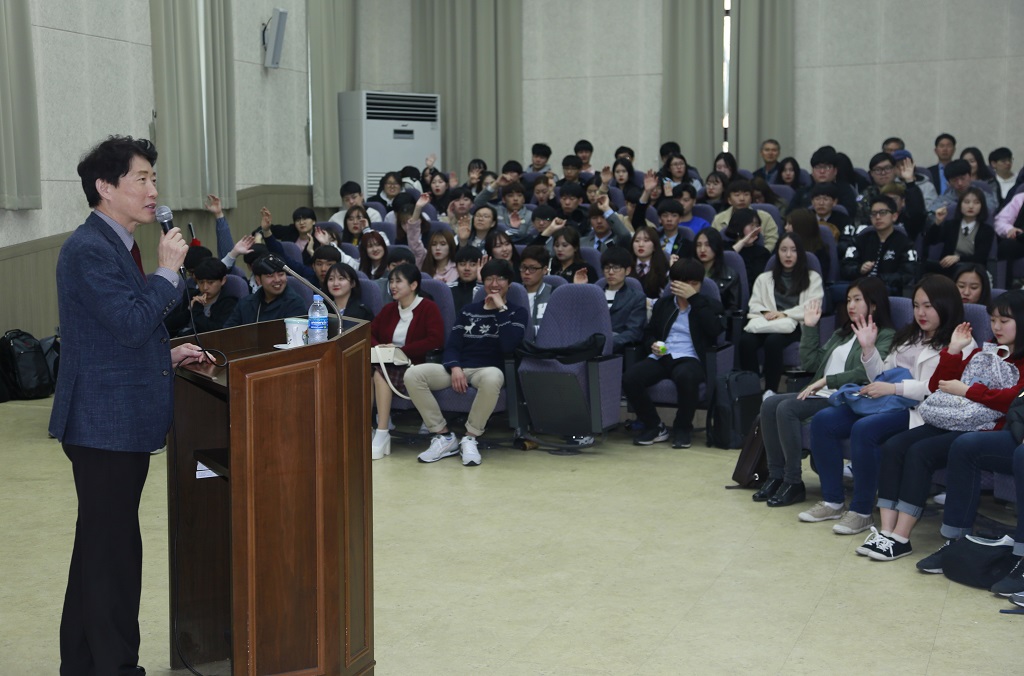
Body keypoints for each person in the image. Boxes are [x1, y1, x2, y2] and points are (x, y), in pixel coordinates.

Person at [50, 135, 210, 675]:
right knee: (114, 557)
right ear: (104, 187)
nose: (153, 191)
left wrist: (169, 350)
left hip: (112, 419)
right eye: (141, 179)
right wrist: (168, 272)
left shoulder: (113, 244)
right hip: (103, 424)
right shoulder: (89, 248)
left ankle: (84, 664)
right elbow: (129, 322)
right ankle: (115, 668)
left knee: (99, 551)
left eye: (153, 179)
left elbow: (116, 333)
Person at [863, 290, 1024, 561]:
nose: (996, 327)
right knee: (896, 445)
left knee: (921, 452)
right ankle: (887, 532)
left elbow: (1013, 400)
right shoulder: (990, 348)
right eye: (993, 320)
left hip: (986, 426)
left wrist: (968, 391)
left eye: (1004, 321)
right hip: (957, 417)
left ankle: (902, 538)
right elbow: (940, 384)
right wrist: (953, 351)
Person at [805, 275, 965, 534]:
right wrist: (868, 350)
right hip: (884, 401)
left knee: (865, 429)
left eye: (928, 306)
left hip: (917, 410)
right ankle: (833, 500)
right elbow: (880, 374)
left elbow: (937, 387)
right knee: (825, 420)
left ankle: (861, 510)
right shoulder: (909, 336)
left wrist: (893, 388)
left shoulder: (960, 341)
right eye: (916, 305)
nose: (920, 313)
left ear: (946, 305)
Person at [754, 278, 895, 507]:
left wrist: (828, 380)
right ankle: (776, 475)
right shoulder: (843, 333)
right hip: (820, 393)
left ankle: (793, 481)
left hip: (843, 398)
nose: (851, 305)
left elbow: (865, 373)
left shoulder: (885, 334)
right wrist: (810, 327)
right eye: (849, 300)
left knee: (787, 408)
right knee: (769, 404)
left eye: (857, 300)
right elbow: (811, 362)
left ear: (874, 304)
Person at [408, 259, 528, 466]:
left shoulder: (517, 312)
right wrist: (455, 368)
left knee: (492, 377)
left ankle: (470, 437)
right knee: (413, 374)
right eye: (489, 278)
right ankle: (443, 436)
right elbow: (453, 345)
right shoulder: (468, 310)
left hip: (488, 369)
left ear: (509, 283)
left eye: (500, 278)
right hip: (459, 367)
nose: (494, 283)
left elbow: (509, 345)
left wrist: (501, 309)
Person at [622, 258, 724, 449]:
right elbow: (649, 332)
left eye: (694, 284)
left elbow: (714, 330)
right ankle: (654, 425)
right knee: (630, 378)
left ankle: (683, 427)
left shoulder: (708, 304)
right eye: (684, 284)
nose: (689, 288)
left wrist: (694, 299)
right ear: (673, 284)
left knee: (686, 376)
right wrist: (652, 343)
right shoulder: (664, 304)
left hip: (690, 356)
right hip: (662, 355)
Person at [369, 264, 445, 459]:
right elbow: (369, 333)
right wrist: (380, 349)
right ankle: (365, 429)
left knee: (378, 374)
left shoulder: (428, 307)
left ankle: (382, 431)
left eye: (398, 281)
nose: (393, 286)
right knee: (365, 371)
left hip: (415, 365)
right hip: (385, 362)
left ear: (413, 285)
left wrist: (399, 351)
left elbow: (435, 340)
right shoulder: (388, 310)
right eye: (391, 281)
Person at [739, 232, 825, 394]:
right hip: (767, 322)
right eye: (783, 250)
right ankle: (751, 389)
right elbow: (754, 304)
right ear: (777, 252)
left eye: (793, 250)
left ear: (800, 253)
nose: (788, 255)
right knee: (746, 341)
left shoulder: (812, 278)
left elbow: (813, 306)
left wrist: (785, 314)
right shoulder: (764, 278)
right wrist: (767, 313)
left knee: (773, 341)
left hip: (795, 325)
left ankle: (770, 390)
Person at [840, 195, 918, 296]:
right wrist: (859, 269)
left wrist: (879, 279)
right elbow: (845, 267)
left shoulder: (905, 243)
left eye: (883, 213)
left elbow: (907, 274)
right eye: (874, 213)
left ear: (894, 216)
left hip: (888, 292)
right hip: (860, 288)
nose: (877, 217)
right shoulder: (861, 239)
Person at [923, 187, 994, 276]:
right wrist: (937, 222)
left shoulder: (987, 230)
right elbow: (930, 241)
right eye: (966, 202)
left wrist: (958, 258)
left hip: (973, 270)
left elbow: (981, 257)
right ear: (960, 205)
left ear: (982, 206)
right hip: (948, 269)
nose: (971, 206)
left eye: (976, 202)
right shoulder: (951, 225)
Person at [223, 256, 308, 327]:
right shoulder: (245, 303)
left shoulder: (295, 303)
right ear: (258, 280)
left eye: (281, 274)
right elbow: (228, 332)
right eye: (270, 276)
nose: (277, 280)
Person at [600, 246, 647, 353]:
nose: (611, 272)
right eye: (607, 268)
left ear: (628, 270)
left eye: (616, 267)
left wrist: (606, 344)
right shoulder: (595, 295)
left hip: (617, 349)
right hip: (590, 346)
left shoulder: (636, 298)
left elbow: (633, 332)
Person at [710, 179, 780, 250]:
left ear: (751, 199)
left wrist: (761, 255)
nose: (742, 199)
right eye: (737, 195)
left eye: (746, 194)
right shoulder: (718, 219)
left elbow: (772, 241)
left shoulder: (765, 217)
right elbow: (714, 243)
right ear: (729, 200)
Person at [183, 258, 239, 334]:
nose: (205, 287)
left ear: (223, 280)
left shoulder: (229, 303)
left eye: (210, 282)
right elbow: (171, 327)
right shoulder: (190, 295)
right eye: (201, 282)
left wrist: (196, 309)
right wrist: (188, 310)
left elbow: (216, 331)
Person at [695, 227, 740, 314]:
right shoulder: (688, 271)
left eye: (707, 245)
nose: (702, 250)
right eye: (698, 245)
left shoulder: (730, 276)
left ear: (716, 246)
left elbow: (733, 309)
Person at [725, 208, 771, 292]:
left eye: (756, 225)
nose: (754, 229)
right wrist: (743, 242)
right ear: (739, 226)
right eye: (751, 225)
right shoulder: (724, 246)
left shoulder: (762, 253)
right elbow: (725, 260)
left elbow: (755, 280)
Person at [518, 245, 554, 335]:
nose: (526, 272)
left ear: (545, 270)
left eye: (532, 268)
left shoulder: (553, 294)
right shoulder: (514, 293)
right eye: (523, 267)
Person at [631, 226, 669, 300]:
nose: (641, 244)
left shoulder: (664, 269)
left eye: (646, 240)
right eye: (637, 241)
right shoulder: (626, 267)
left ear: (655, 246)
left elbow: (665, 299)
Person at [448, 246, 484, 315]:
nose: (467, 268)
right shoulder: (448, 289)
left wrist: (480, 283)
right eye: (462, 264)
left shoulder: (485, 290)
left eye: (472, 264)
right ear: (456, 266)